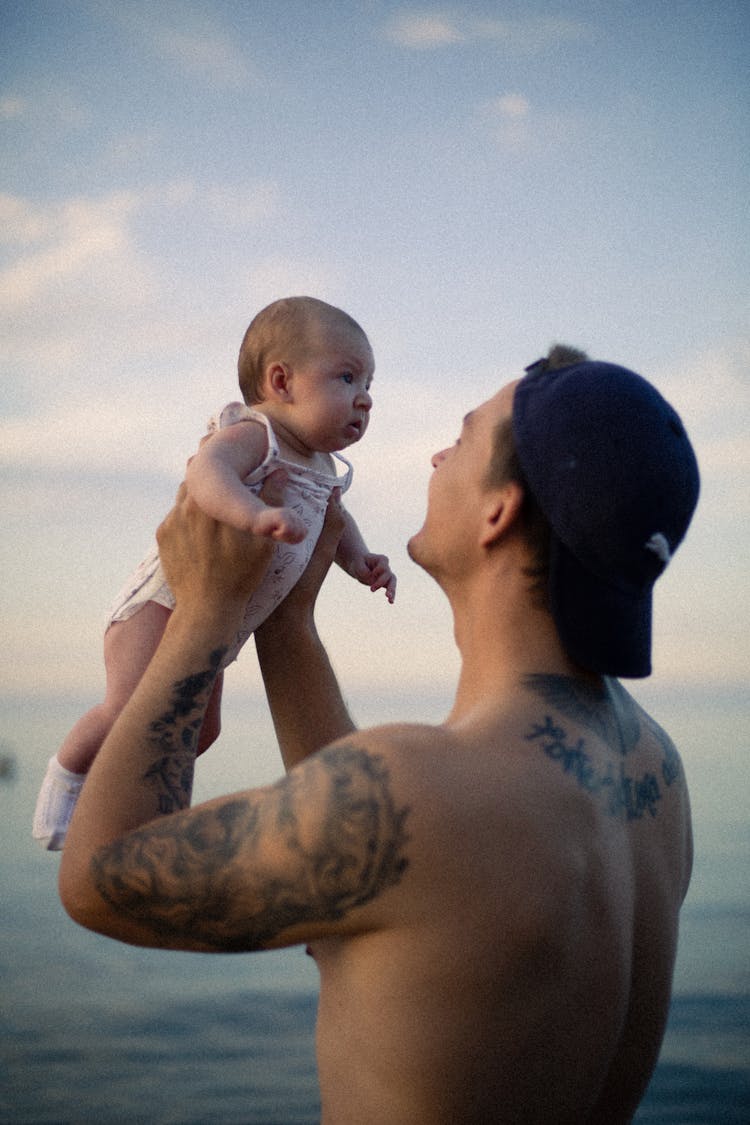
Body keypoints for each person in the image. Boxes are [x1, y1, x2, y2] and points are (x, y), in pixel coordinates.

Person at [58, 347, 700, 1124]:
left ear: (499, 510)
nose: (436, 453)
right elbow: (377, 874)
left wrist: (202, 617)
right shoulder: (653, 769)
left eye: (462, 440)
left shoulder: (419, 787)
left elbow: (98, 877)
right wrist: (286, 619)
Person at [34, 296, 395, 850]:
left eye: (369, 383)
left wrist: (361, 561)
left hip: (222, 621)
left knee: (201, 732)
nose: (365, 398)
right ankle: (65, 784)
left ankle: (111, 799)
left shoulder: (324, 469)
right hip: (167, 603)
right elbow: (206, 473)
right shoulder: (258, 436)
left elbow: (336, 524)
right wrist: (251, 512)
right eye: (347, 377)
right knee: (127, 710)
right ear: (282, 381)